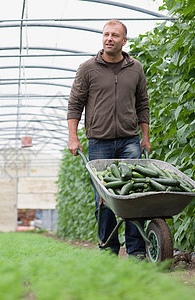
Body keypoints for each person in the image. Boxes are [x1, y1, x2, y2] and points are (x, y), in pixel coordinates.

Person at [67, 19, 151, 258]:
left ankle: (136, 250)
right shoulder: (87, 69)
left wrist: (145, 137)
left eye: (115, 35)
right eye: (106, 34)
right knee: (103, 199)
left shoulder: (136, 68)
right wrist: (73, 137)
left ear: (124, 41)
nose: (109, 39)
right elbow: (75, 105)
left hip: (129, 141)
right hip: (99, 142)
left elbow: (142, 104)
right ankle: (108, 248)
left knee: (134, 195)